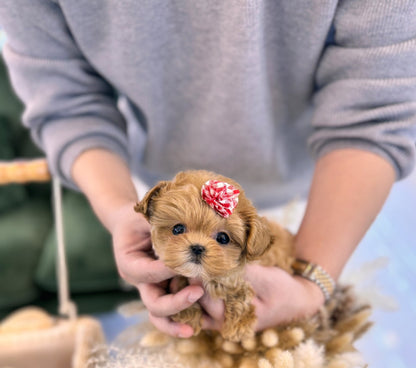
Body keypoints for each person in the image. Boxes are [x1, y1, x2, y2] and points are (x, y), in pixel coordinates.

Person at [0, 1, 415, 338]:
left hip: (326, 181)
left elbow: (375, 109)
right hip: (155, 166)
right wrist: (119, 212)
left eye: (218, 237)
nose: (197, 246)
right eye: (182, 232)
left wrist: (311, 281)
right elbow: (66, 101)